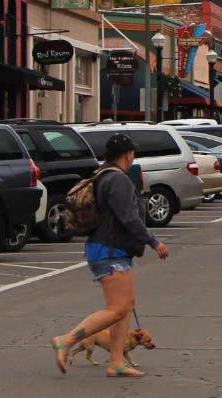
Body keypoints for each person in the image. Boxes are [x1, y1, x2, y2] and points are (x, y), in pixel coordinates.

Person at [51, 134, 169, 377]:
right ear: (127, 154)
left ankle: (116, 361)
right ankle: (66, 341)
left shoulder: (104, 175)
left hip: (112, 249)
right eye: (132, 152)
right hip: (109, 250)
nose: (133, 156)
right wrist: (152, 240)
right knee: (116, 309)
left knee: (126, 306)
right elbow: (128, 217)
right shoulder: (117, 180)